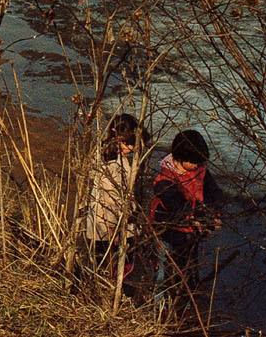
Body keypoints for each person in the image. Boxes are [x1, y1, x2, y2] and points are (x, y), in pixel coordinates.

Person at [147, 128, 225, 312]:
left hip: (190, 231)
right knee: (163, 268)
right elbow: (174, 203)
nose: (197, 166)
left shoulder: (201, 171)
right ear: (179, 158)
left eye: (200, 162)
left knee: (189, 267)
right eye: (193, 162)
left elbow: (215, 194)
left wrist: (214, 214)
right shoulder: (165, 178)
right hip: (167, 229)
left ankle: (187, 305)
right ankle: (159, 305)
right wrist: (190, 218)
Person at [81, 112, 149, 295]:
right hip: (111, 222)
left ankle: (104, 287)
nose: (133, 149)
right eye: (130, 144)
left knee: (102, 260)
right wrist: (119, 229)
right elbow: (113, 199)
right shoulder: (115, 165)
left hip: (100, 221)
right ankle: (111, 290)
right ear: (119, 139)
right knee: (118, 261)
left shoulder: (101, 153)